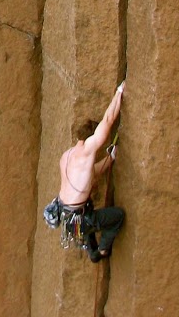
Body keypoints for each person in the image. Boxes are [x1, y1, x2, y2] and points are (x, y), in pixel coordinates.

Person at [43, 81, 126, 262]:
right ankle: (102, 251)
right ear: (91, 138)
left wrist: (110, 158)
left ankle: (90, 247)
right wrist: (120, 91)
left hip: (69, 218)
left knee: (86, 214)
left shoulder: (67, 156)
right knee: (118, 217)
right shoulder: (86, 152)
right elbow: (109, 119)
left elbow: (89, 175)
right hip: (79, 219)